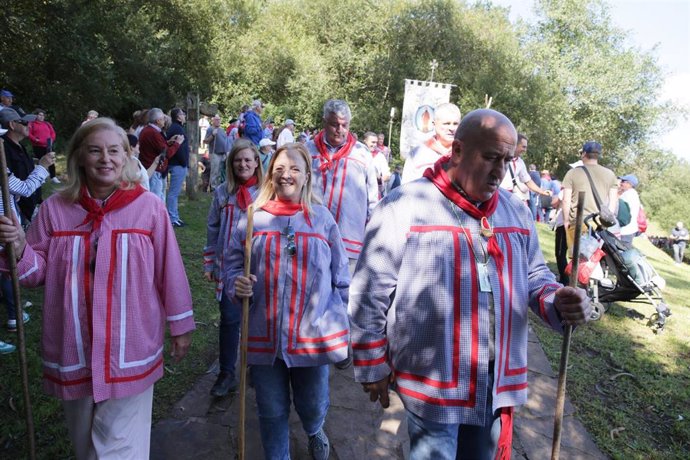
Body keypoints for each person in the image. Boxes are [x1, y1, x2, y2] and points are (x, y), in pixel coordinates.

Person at [349, 109, 591, 460]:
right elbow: (370, 290)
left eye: (507, 160)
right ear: (457, 151)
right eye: (491, 157)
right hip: (433, 381)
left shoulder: (515, 212)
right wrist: (372, 362)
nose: (500, 171)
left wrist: (559, 299)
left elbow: (535, 277)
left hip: (494, 384)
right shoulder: (404, 206)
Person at [0, 118, 194, 459]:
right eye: (95, 151)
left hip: (129, 345)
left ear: (126, 157)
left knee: (119, 448)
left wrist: (180, 325)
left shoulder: (148, 208)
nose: (106, 159)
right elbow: (36, 273)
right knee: (85, 444)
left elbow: (170, 270)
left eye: (114, 151)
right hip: (74, 344)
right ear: (79, 158)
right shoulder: (54, 211)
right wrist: (18, 249)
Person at [225, 143, 349, 460]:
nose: (286, 175)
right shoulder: (252, 218)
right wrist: (235, 284)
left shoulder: (322, 220)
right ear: (269, 176)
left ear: (307, 175)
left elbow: (342, 275)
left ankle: (313, 429)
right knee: (270, 409)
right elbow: (232, 267)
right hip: (262, 334)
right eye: (279, 169)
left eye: (294, 168)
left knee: (312, 403)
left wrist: (340, 320)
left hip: (312, 335)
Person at [203, 139, 262, 397]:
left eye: (248, 159)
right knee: (229, 319)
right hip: (229, 269)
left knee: (258, 320)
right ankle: (227, 372)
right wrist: (209, 261)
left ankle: (258, 369)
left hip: (257, 269)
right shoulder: (222, 193)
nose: (243, 164)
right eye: (238, 160)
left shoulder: (266, 193)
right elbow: (213, 227)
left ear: (257, 162)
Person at [306, 99, 379, 273]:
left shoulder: (361, 153)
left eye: (344, 125)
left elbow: (373, 198)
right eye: (334, 124)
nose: (340, 130)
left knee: (345, 292)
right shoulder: (308, 151)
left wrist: (372, 234)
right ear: (325, 122)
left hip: (350, 237)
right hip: (313, 234)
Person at [561, 141, 618, 249]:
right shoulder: (610, 174)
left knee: (577, 261)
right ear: (598, 155)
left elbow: (566, 200)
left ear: (584, 154)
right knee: (595, 259)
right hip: (599, 224)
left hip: (578, 222)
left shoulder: (573, 173)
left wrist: (565, 221)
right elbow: (613, 202)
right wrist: (605, 221)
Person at [0, 108, 45, 223]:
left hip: (25, 209)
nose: (29, 125)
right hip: (15, 216)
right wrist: (43, 166)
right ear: (12, 125)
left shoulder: (20, 146)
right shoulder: (3, 149)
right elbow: (19, 188)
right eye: (24, 122)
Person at [402, 103, 461, 184]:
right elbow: (405, 188)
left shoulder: (465, 154)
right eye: (446, 123)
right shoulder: (417, 154)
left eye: (455, 124)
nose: (451, 128)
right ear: (434, 124)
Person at [138, 108, 184, 200]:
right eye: (163, 118)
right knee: (156, 201)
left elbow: (157, 148)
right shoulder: (153, 133)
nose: (165, 120)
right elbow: (166, 153)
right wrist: (177, 143)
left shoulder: (148, 130)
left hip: (152, 170)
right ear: (158, 121)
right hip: (154, 171)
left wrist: (169, 142)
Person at [498, 134, 551, 206]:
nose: (525, 150)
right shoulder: (500, 157)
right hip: (497, 194)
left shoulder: (520, 162)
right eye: (523, 147)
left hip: (508, 196)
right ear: (515, 145)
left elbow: (527, 181)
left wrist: (542, 192)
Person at [166, 108, 189, 227]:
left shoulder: (177, 128)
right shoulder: (177, 128)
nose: (184, 115)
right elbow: (178, 148)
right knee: (173, 193)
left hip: (178, 163)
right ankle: (172, 218)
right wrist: (183, 162)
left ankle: (174, 216)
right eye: (182, 114)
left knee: (174, 193)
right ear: (178, 117)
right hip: (177, 164)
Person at [28, 108, 59, 183]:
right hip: (37, 146)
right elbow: (29, 133)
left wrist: (51, 139)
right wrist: (35, 139)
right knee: (41, 161)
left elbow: (53, 133)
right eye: (40, 115)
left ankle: (53, 177)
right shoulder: (31, 124)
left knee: (51, 160)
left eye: (43, 115)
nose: (41, 117)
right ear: (36, 116)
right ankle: (42, 178)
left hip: (48, 145)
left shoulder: (47, 124)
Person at [204, 114, 229, 191]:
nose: (218, 121)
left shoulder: (221, 130)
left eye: (219, 119)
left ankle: (218, 186)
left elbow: (225, 141)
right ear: (213, 121)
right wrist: (212, 135)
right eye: (216, 120)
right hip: (215, 153)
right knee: (215, 171)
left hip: (223, 153)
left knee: (220, 171)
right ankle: (213, 187)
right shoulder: (210, 129)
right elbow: (205, 141)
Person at [363, 131, 390, 198]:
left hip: (373, 194)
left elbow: (387, 175)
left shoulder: (380, 156)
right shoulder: (358, 154)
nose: (375, 145)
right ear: (365, 141)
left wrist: (378, 179)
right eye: (372, 142)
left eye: (376, 142)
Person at [617, 174, 641, 245]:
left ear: (629, 184)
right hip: (629, 230)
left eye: (623, 181)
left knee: (619, 253)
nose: (621, 183)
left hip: (625, 230)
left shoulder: (627, 194)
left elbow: (616, 207)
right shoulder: (633, 194)